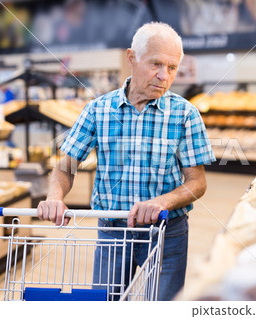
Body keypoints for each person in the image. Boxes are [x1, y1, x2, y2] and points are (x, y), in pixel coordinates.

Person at [37, 22, 215, 301]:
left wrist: (162, 202)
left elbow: (198, 182)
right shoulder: (99, 110)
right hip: (113, 232)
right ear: (131, 58)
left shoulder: (186, 114)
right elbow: (66, 166)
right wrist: (54, 196)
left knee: (164, 305)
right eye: (156, 64)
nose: (164, 76)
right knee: (108, 304)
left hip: (167, 234)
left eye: (172, 68)